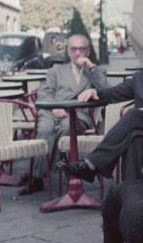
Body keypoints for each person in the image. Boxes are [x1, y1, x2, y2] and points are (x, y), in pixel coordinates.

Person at [60, 29, 143, 183]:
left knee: (133, 115)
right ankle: (133, 188)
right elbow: (114, 93)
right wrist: (94, 92)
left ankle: (92, 164)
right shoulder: (140, 77)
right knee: (133, 137)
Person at [19, 34, 108, 195]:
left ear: (88, 51)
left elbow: (107, 91)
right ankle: (40, 177)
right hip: (53, 111)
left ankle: (45, 173)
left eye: (82, 49)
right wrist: (54, 108)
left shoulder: (96, 71)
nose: (78, 53)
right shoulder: (56, 70)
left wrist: (91, 67)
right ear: (68, 51)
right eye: (73, 49)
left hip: (78, 115)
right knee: (45, 130)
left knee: (67, 128)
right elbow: (44, 94)